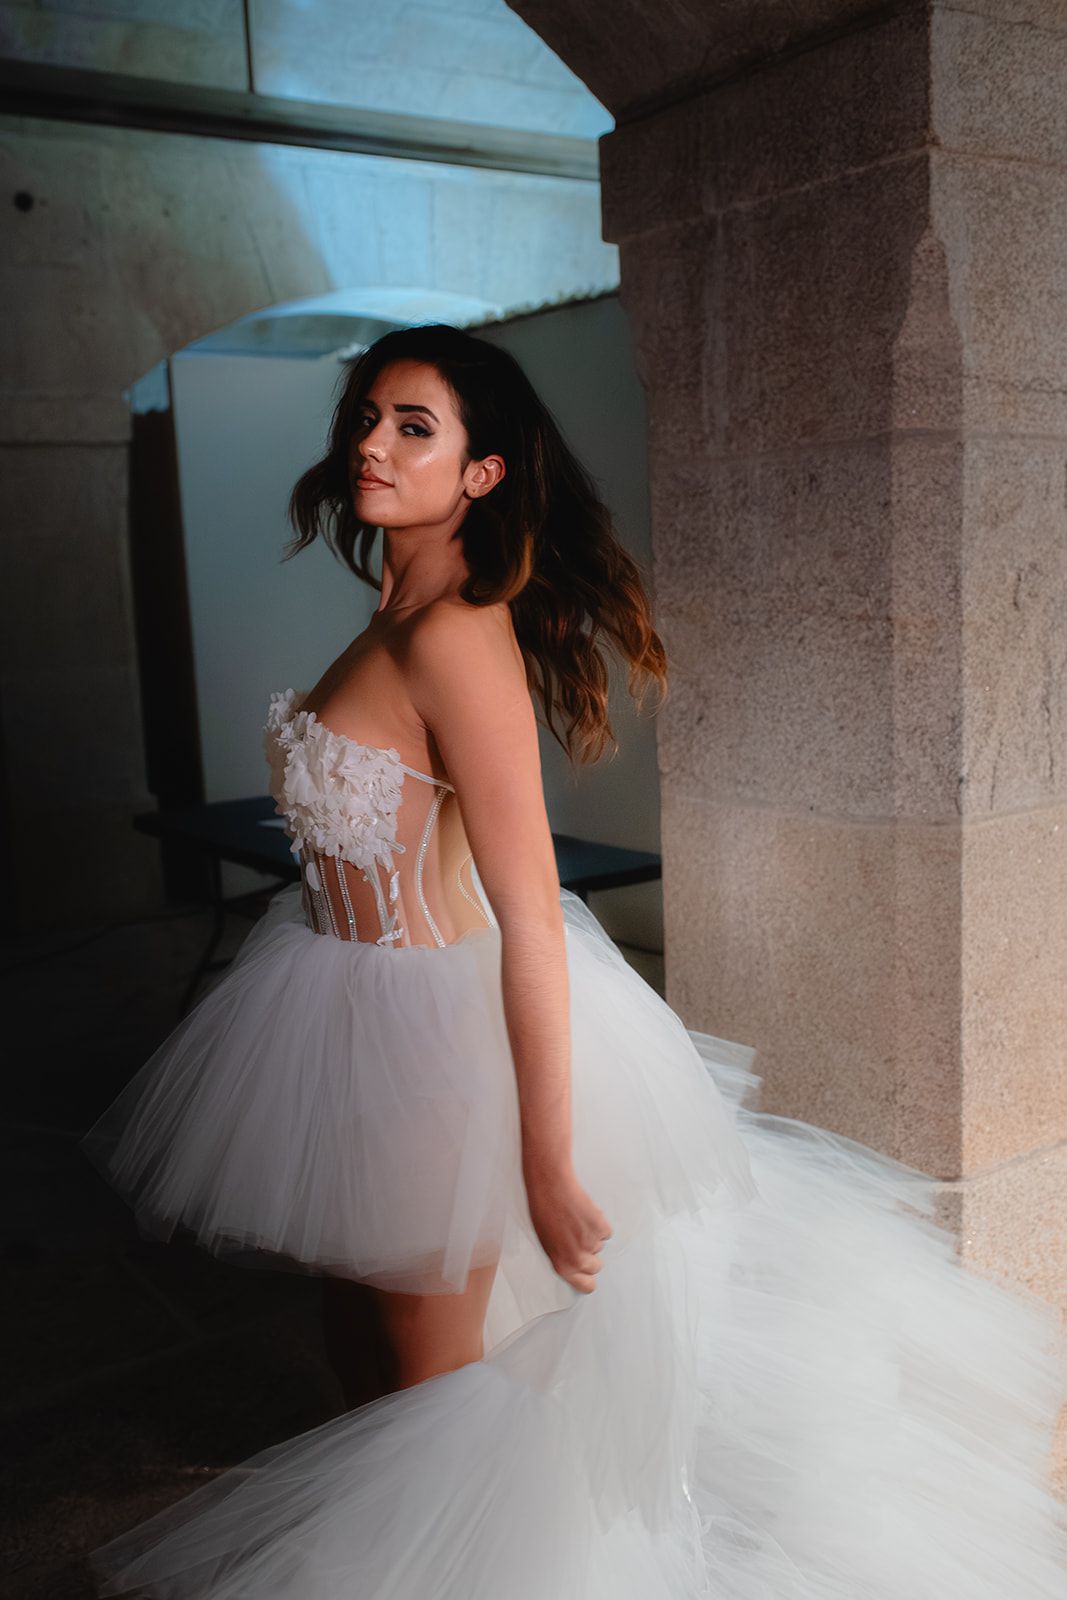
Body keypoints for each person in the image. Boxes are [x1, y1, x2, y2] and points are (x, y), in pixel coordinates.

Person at [82, 324, 1067, 1597]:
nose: (371, 445)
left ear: (481, 473)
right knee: (369, 1375)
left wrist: (545, 1163)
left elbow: (531, 915)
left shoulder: (453, 638)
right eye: (367, 418)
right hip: (339, 1005)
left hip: (426, 1048)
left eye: (412, 427)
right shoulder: (395, 608)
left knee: (436, 1426)